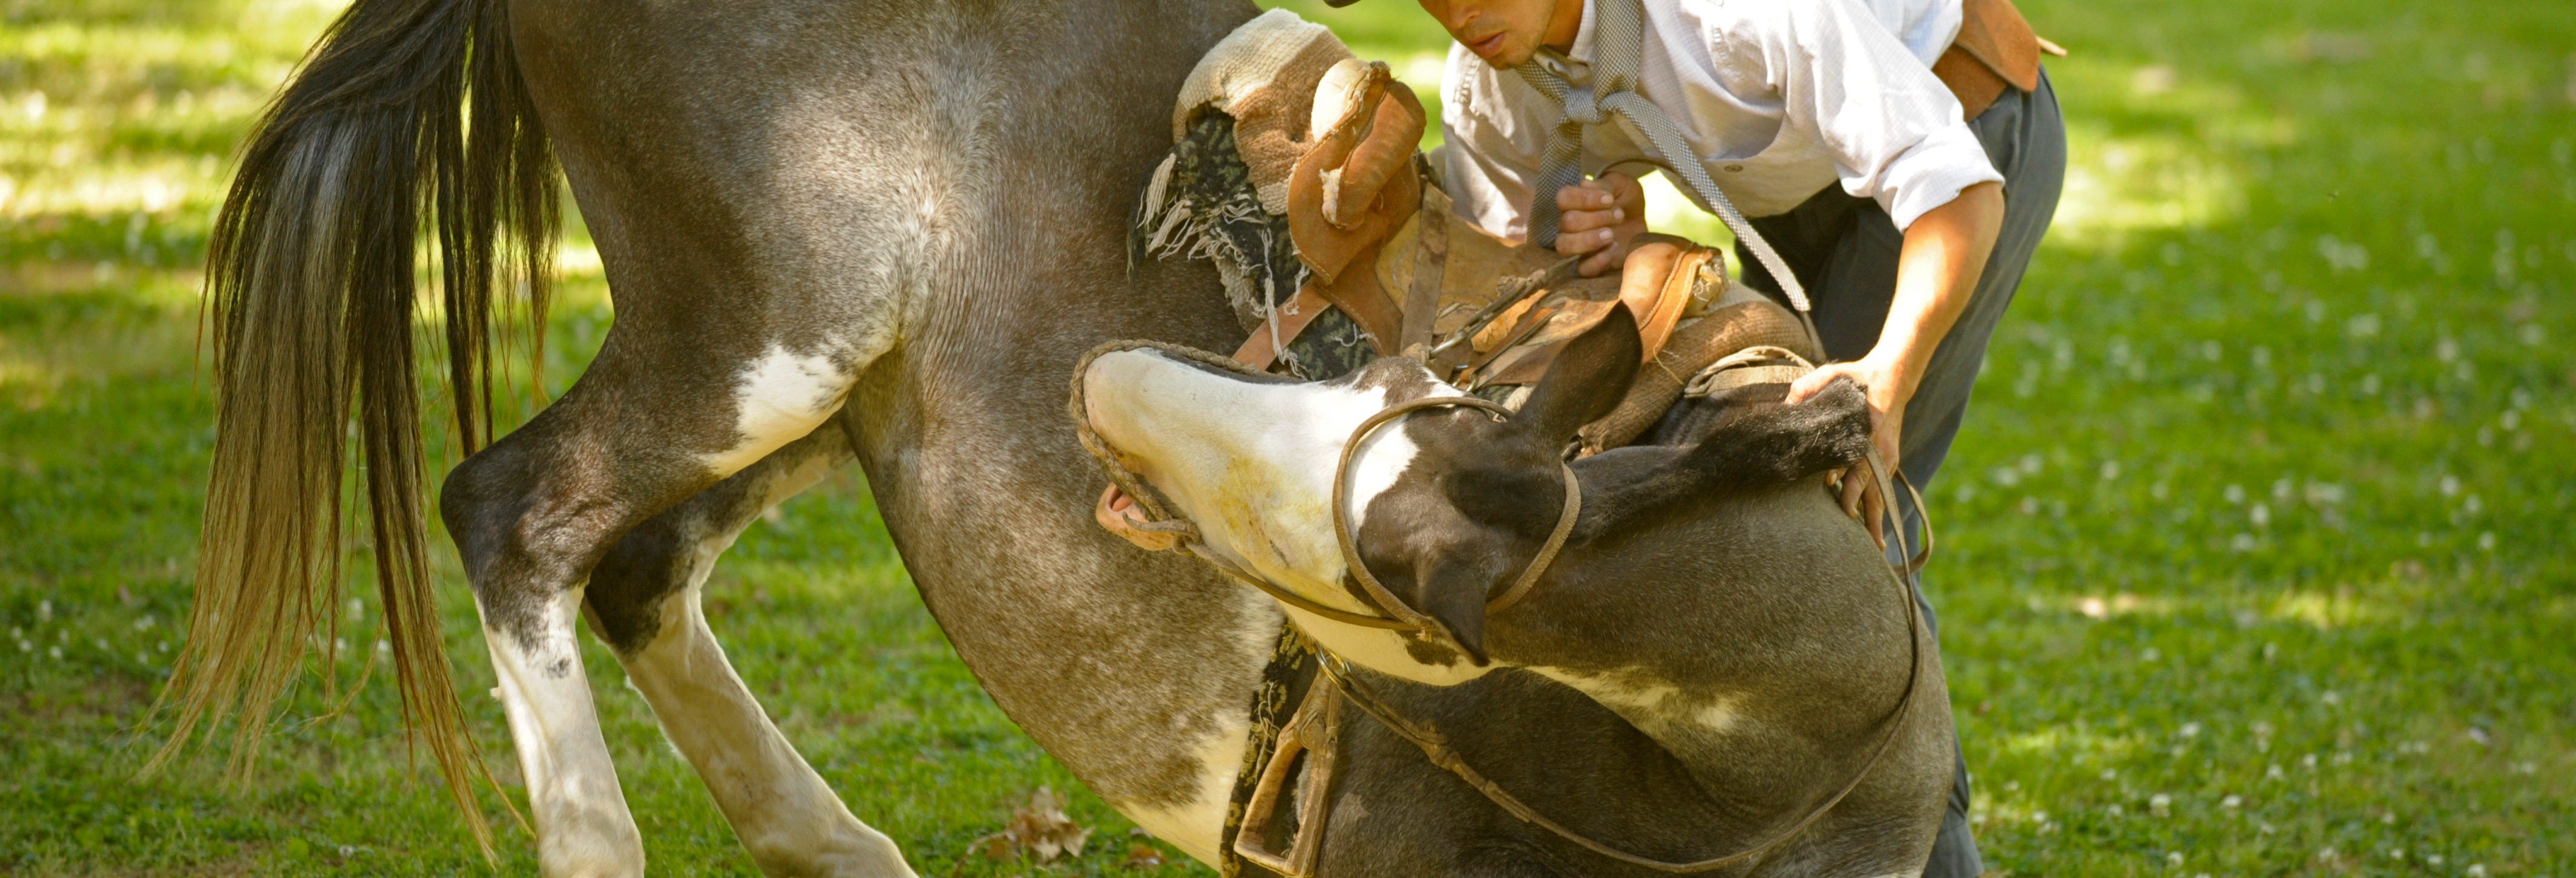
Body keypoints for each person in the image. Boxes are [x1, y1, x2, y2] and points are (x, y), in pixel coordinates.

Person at [1333, 0, 2069, 871]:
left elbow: (1952, 183)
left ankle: (1920, 851)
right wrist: (1617, 232)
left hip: (1963, 144)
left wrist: (1887, 380)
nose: (1460, 11)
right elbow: (1510, 278)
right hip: (1798, 189)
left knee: (1844, 513)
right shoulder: (1493, 83)